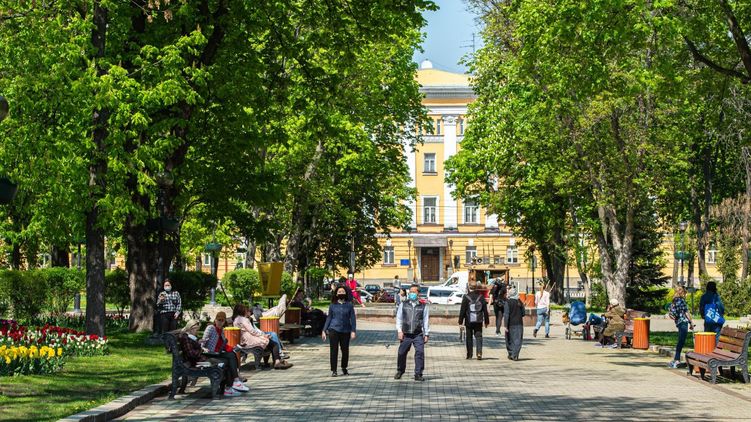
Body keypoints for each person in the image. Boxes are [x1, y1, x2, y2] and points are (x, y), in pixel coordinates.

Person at [177, 320, 248, 397]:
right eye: (196, 330)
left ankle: (230, 386)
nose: (197, 332)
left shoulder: (190, 337)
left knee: (229, 358)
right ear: (191, 329)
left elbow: (193, 349)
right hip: (197, 362)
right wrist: (202, 350)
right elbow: (191, 353)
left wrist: (200, 345)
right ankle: (230, 386)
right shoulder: (186, 338)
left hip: (201, 358)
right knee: (225, 362)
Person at [231, 305, 292, 370]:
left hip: (243, 340)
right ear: (242, 311)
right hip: (250, 340)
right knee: (274, 344)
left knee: (269, 342)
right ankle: (277, 362)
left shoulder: (235, 320)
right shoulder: (244, 319)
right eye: (246, 310)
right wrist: (263, 335)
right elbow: (252, 331)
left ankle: (276, 361)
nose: (247, 312)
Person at [201, 312, 250, 389]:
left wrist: (234, 348)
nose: (220, 322)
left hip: (217, 353)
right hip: (210, 353)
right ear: (215, 320)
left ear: (224, 322)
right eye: (219, 320)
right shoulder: (211, 328)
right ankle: (236, 380)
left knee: (232, 354)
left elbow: (223, 345)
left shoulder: (222, 330)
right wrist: (204, 349)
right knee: (230, 356)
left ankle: (231, 385)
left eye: (222, 320)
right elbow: (203, 342)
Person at [395, 284, 430, 381]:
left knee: (420, 352)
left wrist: (426, 334)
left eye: (414, 292)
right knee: (401, 352)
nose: (411, 293)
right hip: (406, 333)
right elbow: (399, 318)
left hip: (418, 334)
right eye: (410, 292)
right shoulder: (404, 304)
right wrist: (399, 331)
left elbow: (426, 321)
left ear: (418, 293)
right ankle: (400, 371)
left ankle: (418, 374)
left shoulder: (423, 306)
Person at [322, 285, 357, 377]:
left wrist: (353, 330)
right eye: (339, 292)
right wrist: (324, 330)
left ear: (346, 293)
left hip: (345, 330)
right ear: (336, 294)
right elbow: (329, 318)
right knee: (334, 350)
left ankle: (344, 367)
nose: (341, 293)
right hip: (334, 329)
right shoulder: (332, 305)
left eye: (343, 292)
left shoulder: (349, 305)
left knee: (345, 350)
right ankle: (334, 370)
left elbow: (352, 318)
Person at [459, 284, 489, 360]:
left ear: (469, 288)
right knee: (478, 336)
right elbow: (485, 310)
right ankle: (479, 353)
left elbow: (462, 310)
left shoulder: (466, 297)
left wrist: (460, 322)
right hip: (478, 321)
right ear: (476, 288)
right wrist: (486, 321)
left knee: (469, 337)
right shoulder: (481, 297)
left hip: (469, 321)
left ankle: (469, 354)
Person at [667, 287, 694, 368]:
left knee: (680, 340)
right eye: (685, 293)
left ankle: (676, 359)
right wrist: (691, 323)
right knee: (681, 341)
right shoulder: (681, 301)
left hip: (678, 322)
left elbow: (671, 313)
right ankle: (677, 359)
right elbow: (686, 312)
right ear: (682, 293)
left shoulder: (674, 300)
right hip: (683, 322)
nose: (686, 295)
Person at [503, 286, 524, 360]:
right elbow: (523, 313)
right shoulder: (520, 302)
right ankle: (515, 354)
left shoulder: (507, 303)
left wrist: (505, 325)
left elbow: (506, 315)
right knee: (518, 340)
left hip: (510, 324)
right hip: (519, 323)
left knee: (509, 340)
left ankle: (512, 353)